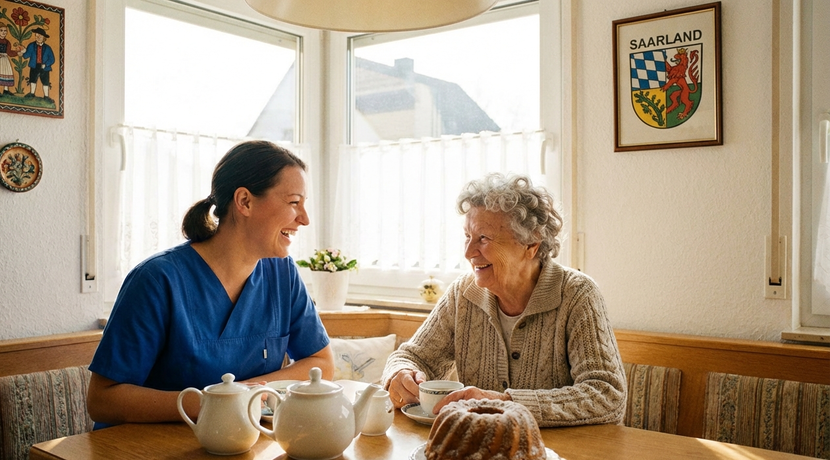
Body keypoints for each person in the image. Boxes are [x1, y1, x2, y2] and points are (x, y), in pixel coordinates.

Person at [86, 139, 334, 428]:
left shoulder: (282, 274)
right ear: (245, 201)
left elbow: (321, 363)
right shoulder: (157, 280)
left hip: (243, 442)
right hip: (148, 449)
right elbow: (102, 400)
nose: (304, 219)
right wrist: (216, 402)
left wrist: (247, 393)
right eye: (293, 203)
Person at [382, 173, 626, 427]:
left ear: (531, 244)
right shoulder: (463, 294)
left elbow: (607, 395)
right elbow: (413, 356)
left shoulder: (577, 294)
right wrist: (401, 373)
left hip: (562, 448)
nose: (468, 252)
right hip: (480, 445)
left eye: (483, 238)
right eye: (467, 236)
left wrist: (505, 402)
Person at [23, 27, 55, 101]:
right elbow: (26, 55)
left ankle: (46, 96)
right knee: (32, 80)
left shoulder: (48, 48)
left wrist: (46, 64)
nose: (38, 37)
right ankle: (32, 93)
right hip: (34, 65)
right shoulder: (31, 45)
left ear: (44, 38)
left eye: (40, 36)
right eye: (37, 36)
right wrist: (23, 52)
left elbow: (52, 59)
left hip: (44, 67)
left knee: (45, 81)